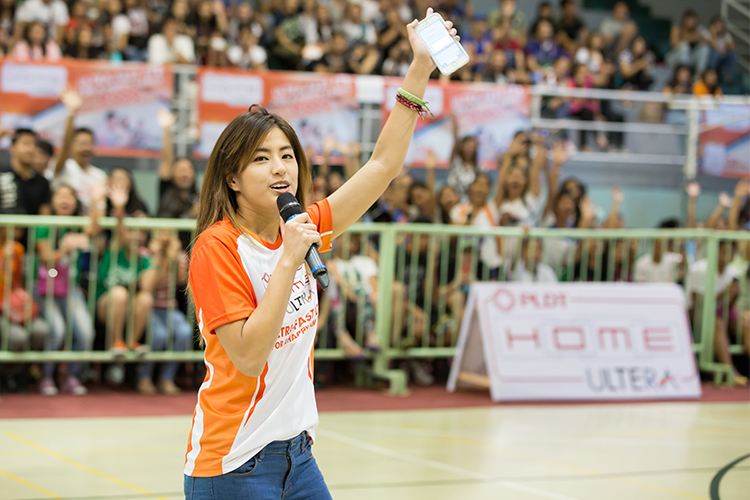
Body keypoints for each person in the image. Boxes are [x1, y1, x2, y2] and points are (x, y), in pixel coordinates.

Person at [183, 9, 458, 497]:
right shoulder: (217, 247)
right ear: (231, 178)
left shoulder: (303, 224)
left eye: (286, 154)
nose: (279, 168)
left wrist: (419, 68)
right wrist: (290, 258)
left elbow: (382, 165)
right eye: (261, 159)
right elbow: (247, 357)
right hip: (235, 463)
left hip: (299, 455)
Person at [35, 184, 100, 396]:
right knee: (57, 329)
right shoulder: (45, 224)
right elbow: (45, 259)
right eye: (60, 195)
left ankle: (71, 376)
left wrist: (96, 201)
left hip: (70, 288)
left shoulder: (77, 224)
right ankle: (46, 376)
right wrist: (64, 248)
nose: (65, 200)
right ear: (52, 200)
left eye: (70, 196)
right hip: (47, 287)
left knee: (85, 331)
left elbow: (94, 227)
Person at [137, 226, 191, 395]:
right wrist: (159, 258)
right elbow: (148, 286)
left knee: (184, 332)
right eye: (161, 233)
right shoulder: (146, 255)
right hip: (149, 309)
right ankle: (144, 377)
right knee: (159, 336)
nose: (165, 237)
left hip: (169, 309)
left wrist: (174, 259)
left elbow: (182, 282)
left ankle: (166, 378)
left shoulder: (178, 256)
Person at [52, 90, 108, 214]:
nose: (86, 148)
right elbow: (65, 148)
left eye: (90, 143)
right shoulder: (64, 167)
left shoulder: (99, 175)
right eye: (82, 144)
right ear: (72, 146)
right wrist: (71, 113)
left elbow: (100, 209)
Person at [0, 128, 51, 217]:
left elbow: (45, 217)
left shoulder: (42, 182)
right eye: (26, 143)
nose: (30, 149)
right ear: (12, 148)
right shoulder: (2, 176)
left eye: (34, 144)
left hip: (32, 230)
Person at [634, 219, 685, 284]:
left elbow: (683, 267)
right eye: (656, 245)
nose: (658, 248)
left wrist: (679, 242)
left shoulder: (672, 259)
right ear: (652, 244)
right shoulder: (641, 262)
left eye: (661, 245)